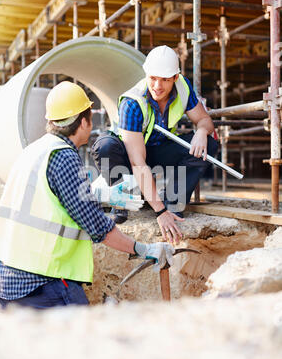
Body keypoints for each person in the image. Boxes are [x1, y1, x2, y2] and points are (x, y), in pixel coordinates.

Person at [0, 81, 175, 310]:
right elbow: (98, 227)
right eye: (90, 118)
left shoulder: (36, 150)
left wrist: (99, 194)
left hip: (7, 279)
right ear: (84, 121)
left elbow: (50, 197)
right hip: (40, 282)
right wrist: (145, 249)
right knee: (80, 338)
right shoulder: (64, 157)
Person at [91, 45, 218, 243]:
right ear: (146, 74)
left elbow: (204, 120)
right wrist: (160, 213)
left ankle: (173, 202)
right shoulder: (132, 102)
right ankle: (122, 200)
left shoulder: (183, 87)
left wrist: (202, 131)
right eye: (153, 78)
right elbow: (137, 162)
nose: (157, 86)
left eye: (165, 80)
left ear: (176, 77)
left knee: (208, 146)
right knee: (105, 146)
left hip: (158, 149)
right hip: (129, 155)